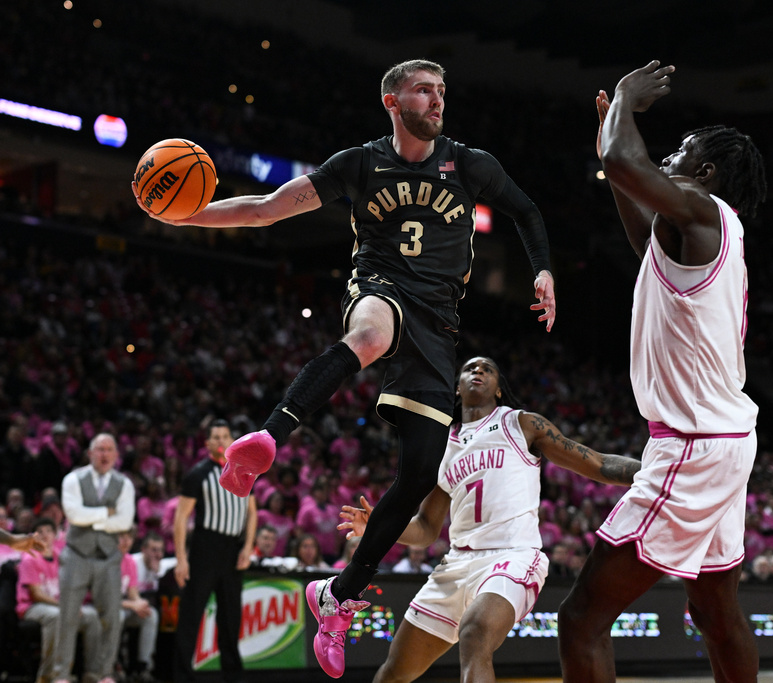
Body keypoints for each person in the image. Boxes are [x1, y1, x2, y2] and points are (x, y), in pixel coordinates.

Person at [134, 58, 557, 678]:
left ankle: (338, 597)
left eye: (442, 91)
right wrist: (186, 214)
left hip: (439, 326)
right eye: (424, 90)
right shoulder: (358, 163)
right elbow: (266, 209)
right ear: (392, 100)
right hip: (380, 287)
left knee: (418, 473)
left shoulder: (470, 163)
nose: (437, 100)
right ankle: (268, 438)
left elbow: (527, 211)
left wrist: (543, 268)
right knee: (367, 332)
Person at [557, 61, 767, 683]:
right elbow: (637, 223)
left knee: (582, 619)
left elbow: (628, 164)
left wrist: (625, 98)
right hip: (726, 439)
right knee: (715, 609)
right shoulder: (697, 231)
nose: (668, 157)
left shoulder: (702, 210)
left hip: (693, 446)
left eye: (681, 152)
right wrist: (609, 139)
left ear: (704, 173)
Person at [338, 356, 640, 683]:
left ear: (498, 390)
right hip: (456, 564)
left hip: (511, 555)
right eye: (469, 368)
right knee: (393, 672)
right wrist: (379, 527)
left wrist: (654, 473)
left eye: (487, 369)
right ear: (457, 388)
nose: (478, 371)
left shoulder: (521, 423)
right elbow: (426, 529)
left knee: (475, 632)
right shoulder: (442, 447)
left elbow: (595, 462)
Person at [172, 420, 257, 683]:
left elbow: (252, 513)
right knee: (192, 613)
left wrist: (247, 547)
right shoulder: (197, 474)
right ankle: (181, 675)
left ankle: (233, 674)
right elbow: (180, 518)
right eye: (215, 436)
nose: (220, 440)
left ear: (232, 439)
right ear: (207, 443)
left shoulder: (245, 471)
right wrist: (181, 559)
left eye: (225, 435)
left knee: (231, 616)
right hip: (204, 548)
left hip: (233, 550)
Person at [55, 433, 136, 683]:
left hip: (108, 557)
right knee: (67, 617)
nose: (104, 454)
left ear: (116, 455)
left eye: (109, 450)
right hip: (76, 554)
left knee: (112, 617)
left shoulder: (125, 484)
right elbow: (74, 516)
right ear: (90, 454)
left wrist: (93, 517)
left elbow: (124, 522)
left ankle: (103, 674)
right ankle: (61, 675)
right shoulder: (72, 479)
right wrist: (107, 513)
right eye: (100, 449)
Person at [16, 517, 102, 683]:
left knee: (92, 616)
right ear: (33, 536)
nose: (44, 535)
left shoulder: (63, 558)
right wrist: (66, 607)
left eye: (48, 531)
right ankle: (48, 676)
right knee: (56, 616)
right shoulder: (29, 558)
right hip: (31, 607)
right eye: (39, 532)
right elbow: (36, 594)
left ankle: (92, 674)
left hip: (60, 606)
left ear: (56, 535)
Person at [117, 530, 158, 681]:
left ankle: (143, 666)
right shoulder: (106, 560)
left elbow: (132, 591)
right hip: (105, 607)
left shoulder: (129, 561)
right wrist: (132, 605)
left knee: (150, 614)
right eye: (122, 537)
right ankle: (114, 664)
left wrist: (139, 603)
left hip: (124, 605)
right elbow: (106, 600)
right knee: (117, 616)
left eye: (129, 537)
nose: (126, 541)